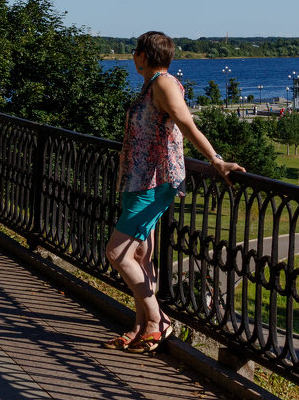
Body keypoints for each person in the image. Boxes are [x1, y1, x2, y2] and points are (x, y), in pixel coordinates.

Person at [103, 31, 245, 354]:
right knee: (139, 255)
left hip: (153, 184)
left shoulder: (164, 84)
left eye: (136, 50)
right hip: (138, 180)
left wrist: (217, 161)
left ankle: (158, 320)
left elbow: (188, 125)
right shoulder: (151, 84)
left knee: (116, 252)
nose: (133, 56)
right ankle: (141, 327)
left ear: (144, 55)